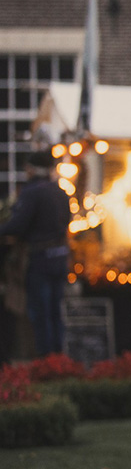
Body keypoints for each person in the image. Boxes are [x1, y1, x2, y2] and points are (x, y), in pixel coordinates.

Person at [0, 150, 71, 356]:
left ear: (31, 168)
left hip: (40, 259)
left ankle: (46, 363)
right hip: (60, 257)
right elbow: (68, 220)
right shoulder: (60, 191)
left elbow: (18, 225)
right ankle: (59, 359)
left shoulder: (32, 192)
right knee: (55, 313)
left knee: (40, 314)